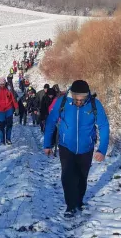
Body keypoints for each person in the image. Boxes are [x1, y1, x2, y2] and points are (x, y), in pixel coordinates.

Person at [44, 80, 109, 216]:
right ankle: (70, 205)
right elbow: (51, 122)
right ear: (71, 95)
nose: (79, 102)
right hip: (66, 146)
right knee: (67, 176)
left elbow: (103, 126)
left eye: (82, 99)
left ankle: (79, 201)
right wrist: (47, 144)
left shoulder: (94, 104)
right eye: (76, 99)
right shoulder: (63, 102)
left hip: (87, 147)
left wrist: (102, 149)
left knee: (81, 176)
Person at [0, 77, 18, 145]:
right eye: (1, 84)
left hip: (9, 108)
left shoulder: (9, 89)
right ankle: (2, 140)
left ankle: (8, 139)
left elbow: (14, 99)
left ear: (5, 83)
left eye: (3, 84)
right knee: (1, 125)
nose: (2, 85)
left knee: (9, 124)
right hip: (0, 110)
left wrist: (16, 108)